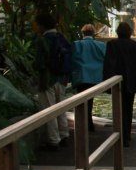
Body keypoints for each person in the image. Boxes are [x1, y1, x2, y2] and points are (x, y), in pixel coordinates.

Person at [102, 21, 136, 147]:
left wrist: (106, 83)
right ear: (130, 33)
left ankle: (119, 135)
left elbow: (108, 64)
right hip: (131, 82)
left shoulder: (112, 45)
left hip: (116, 82)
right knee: (128, 108)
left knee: (118, 109)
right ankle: (126, 136)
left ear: (117, 33)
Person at [32, 12, 70, 149]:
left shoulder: (42, 40)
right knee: (61, 108)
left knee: (49, 110)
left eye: (36, 24)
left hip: (48, 80)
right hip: (62, 79)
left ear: (42, 26)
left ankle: (53, 140)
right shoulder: (62, 37)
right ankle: (64, 135)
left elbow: (39, 63)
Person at [71, 23, 106, 133]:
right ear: (93, 33)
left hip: (82, 76)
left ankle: (85, 125)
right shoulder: (101, 45)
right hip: (96, 77)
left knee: (82, 101)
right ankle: (89, 124)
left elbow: (72, 60)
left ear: (83, 33)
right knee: (90, 100)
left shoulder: (77, 45)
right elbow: (105, 59)